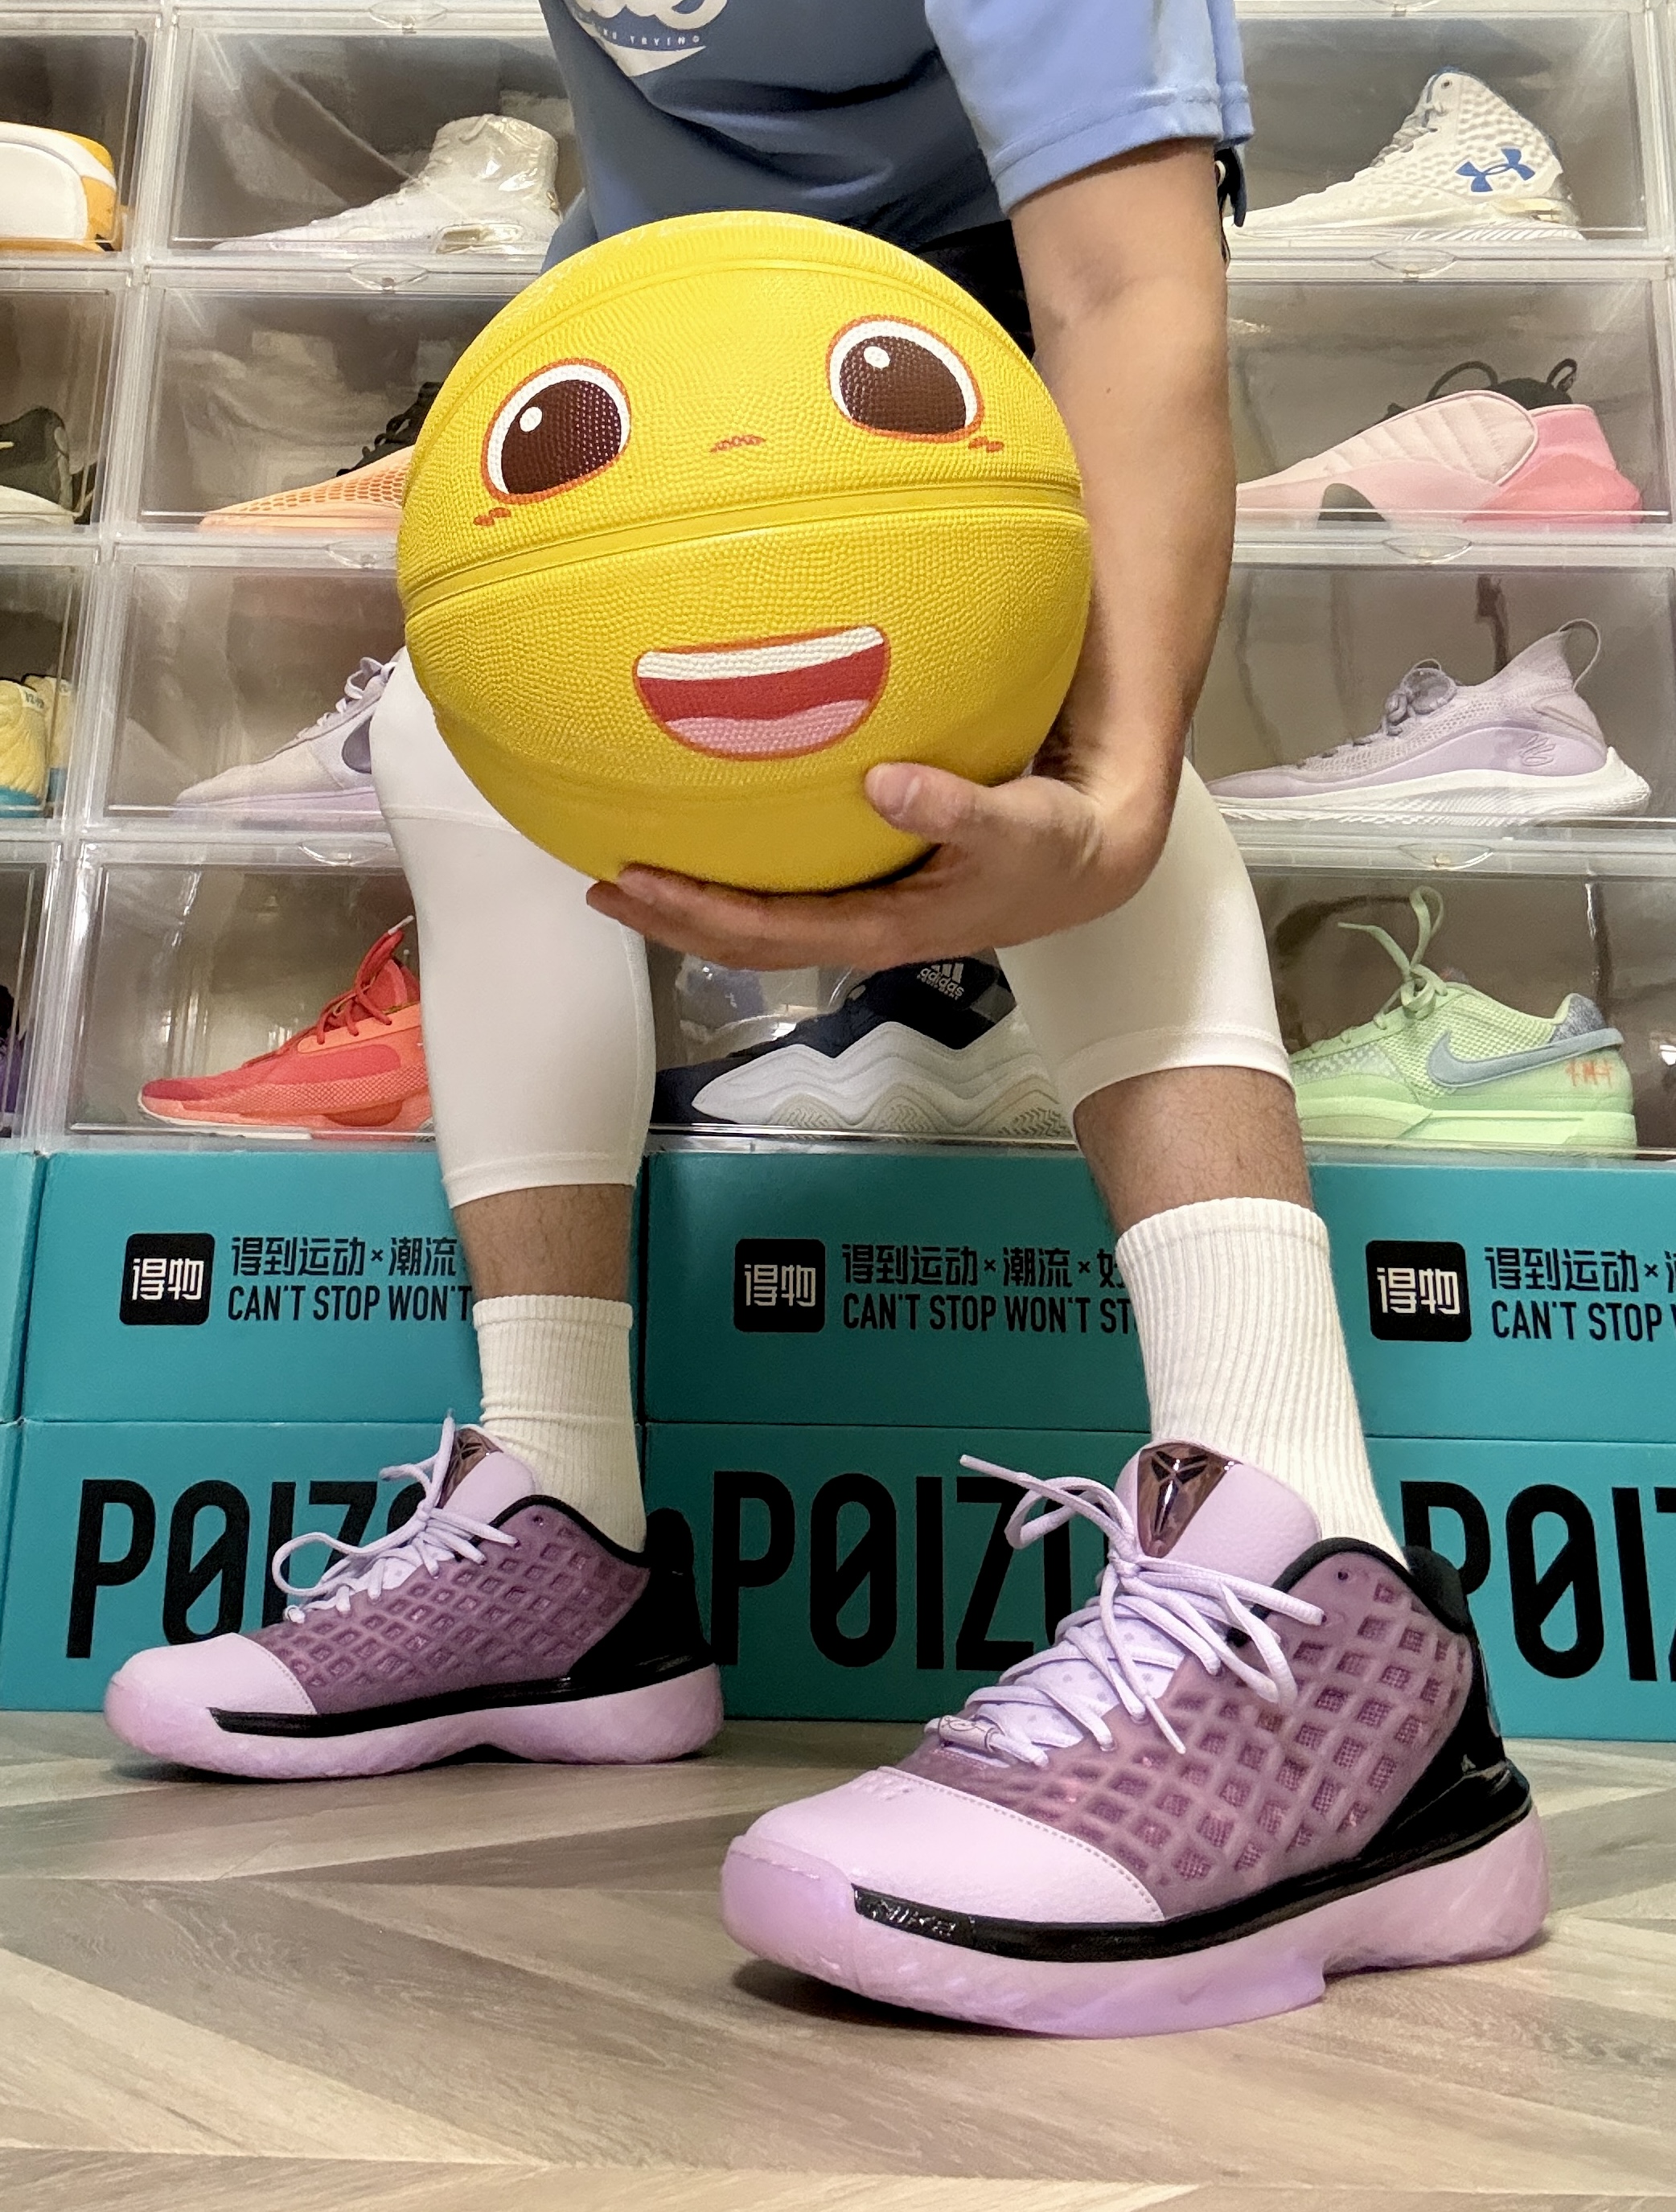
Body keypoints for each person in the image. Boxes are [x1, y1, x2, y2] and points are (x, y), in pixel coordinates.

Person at [105, 0, 1542, 2033]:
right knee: (454, 726)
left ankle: (1322, 1600)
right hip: (692, 348)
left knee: (1056, 738)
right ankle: (564, 1535)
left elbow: (1121, 270)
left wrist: (1119, 782)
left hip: (965, 352)